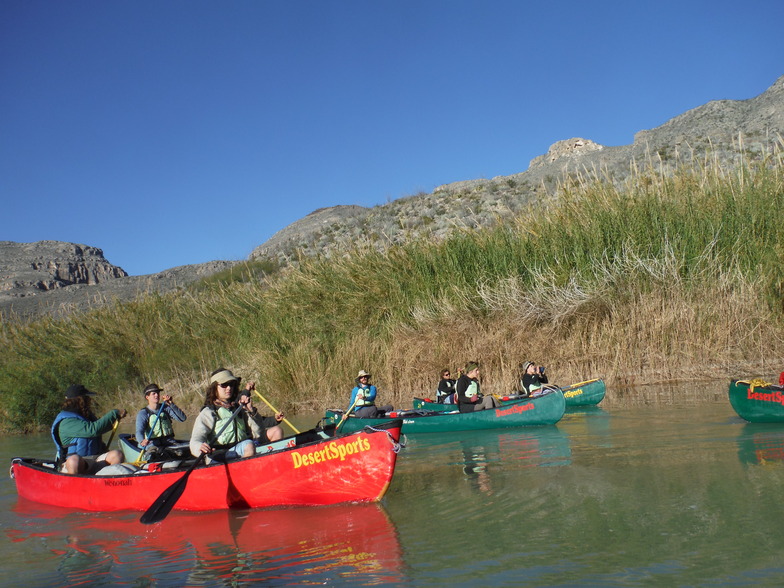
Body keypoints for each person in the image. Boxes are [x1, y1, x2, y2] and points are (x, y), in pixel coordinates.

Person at [190, 368, 285, 460]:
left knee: (272, 433)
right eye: (224, 385)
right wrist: (200, 447)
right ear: (214, 388)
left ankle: (275, 462)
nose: (229, 388)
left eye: (231, 384)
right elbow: (195, 440)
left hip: (243, 448)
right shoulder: (208, 412)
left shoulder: (240, 408)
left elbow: (259, 434)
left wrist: (251, 411)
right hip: (219, 455)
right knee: (249, 445)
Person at [51, 384, 127, 474]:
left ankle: (109, 480)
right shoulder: (67, 422)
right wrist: (114, 413)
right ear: (80, 400)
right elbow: (92, 430)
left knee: (117, 454)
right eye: (87, 398)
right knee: (74, 460)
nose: (90, 400)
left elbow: (97, 431)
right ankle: (74, 481)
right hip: (77, 463)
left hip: (96, 459)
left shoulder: (87, 417)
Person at [134, 383, 187, 449]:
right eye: (153, 394)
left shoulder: (166, 408)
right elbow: (139, 431)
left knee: (181, 452)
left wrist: (171, 404)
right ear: (147, 397)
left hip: (169, 442)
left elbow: (182, 418)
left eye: (157, 393)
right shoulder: (143, 413)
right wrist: (142, 441)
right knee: (154, 453)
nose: (157, 395)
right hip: (153, 444)